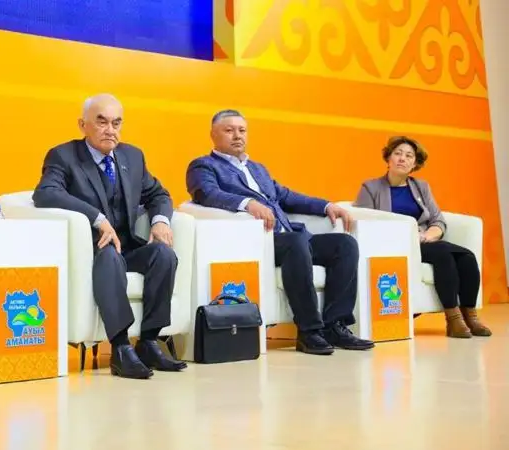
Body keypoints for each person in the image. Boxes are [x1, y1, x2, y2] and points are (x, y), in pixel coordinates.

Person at [186, 109, 374, 355]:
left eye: (242, 130)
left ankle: (334, 326)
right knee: (295, 242)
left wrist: (327, 206)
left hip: (291, 239)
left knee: (344, 244)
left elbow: (286, 196)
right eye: (229, 130)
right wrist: (247, 204)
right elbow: (208, 194)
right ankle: (309, 330)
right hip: (256, 241)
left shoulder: (257, 168)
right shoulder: (203, 166)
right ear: (213, 135)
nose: (237, 136)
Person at [32, 94, 186, 379]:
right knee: (109, 257)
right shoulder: (64, 156)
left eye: (116, 123)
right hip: (94, 249)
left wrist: (160, 221)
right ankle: (120, 348)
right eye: (101, 122)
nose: (110, 130)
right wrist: (98, 218)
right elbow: (45, 193)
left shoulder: (132, 156)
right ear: (83, 125)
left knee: (163, 254)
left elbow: (158, 194)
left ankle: (149, 342)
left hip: (127, 246)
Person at [354, 136, 491, 338]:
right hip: (394, 243)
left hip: (423, 241)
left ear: (415, 164)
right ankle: (453, 318)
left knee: (467, 257)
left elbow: (437, 219)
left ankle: (470, 317)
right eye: (398, 153)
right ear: (388, 158)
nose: (402, 158)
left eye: (409, 156)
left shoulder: (421, 187)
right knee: (443, 253)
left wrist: (428, 235)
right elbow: (364, 220)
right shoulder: (371, 187)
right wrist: (408, 234)